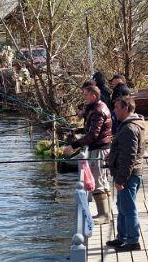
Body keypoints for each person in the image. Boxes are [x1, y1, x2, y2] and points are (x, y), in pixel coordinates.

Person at [63, 85, 112, 225]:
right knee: (102, 181)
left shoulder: (98, 111)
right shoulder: (98, 107)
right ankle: (106, 213)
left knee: (97, 182)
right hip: (101, 147)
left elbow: (92, 135)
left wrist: (73, 146)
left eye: (85, 95)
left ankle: (103, 215)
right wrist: (79, 128)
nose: (83, 98)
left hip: (98, 149)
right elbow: (93, 127)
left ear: (93, 96)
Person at [106, 96, 145, 252]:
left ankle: (133, 241)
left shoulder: (130, 128)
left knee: (129, 209)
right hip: (126, 174)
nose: (114, 111)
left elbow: (130, 157)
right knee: (122, 207)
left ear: (126, 108)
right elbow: (124, 150)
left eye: (116, 108)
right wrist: (112, 156)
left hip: (128, 176)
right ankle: (122, 237)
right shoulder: (128, 125)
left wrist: (121, 179)